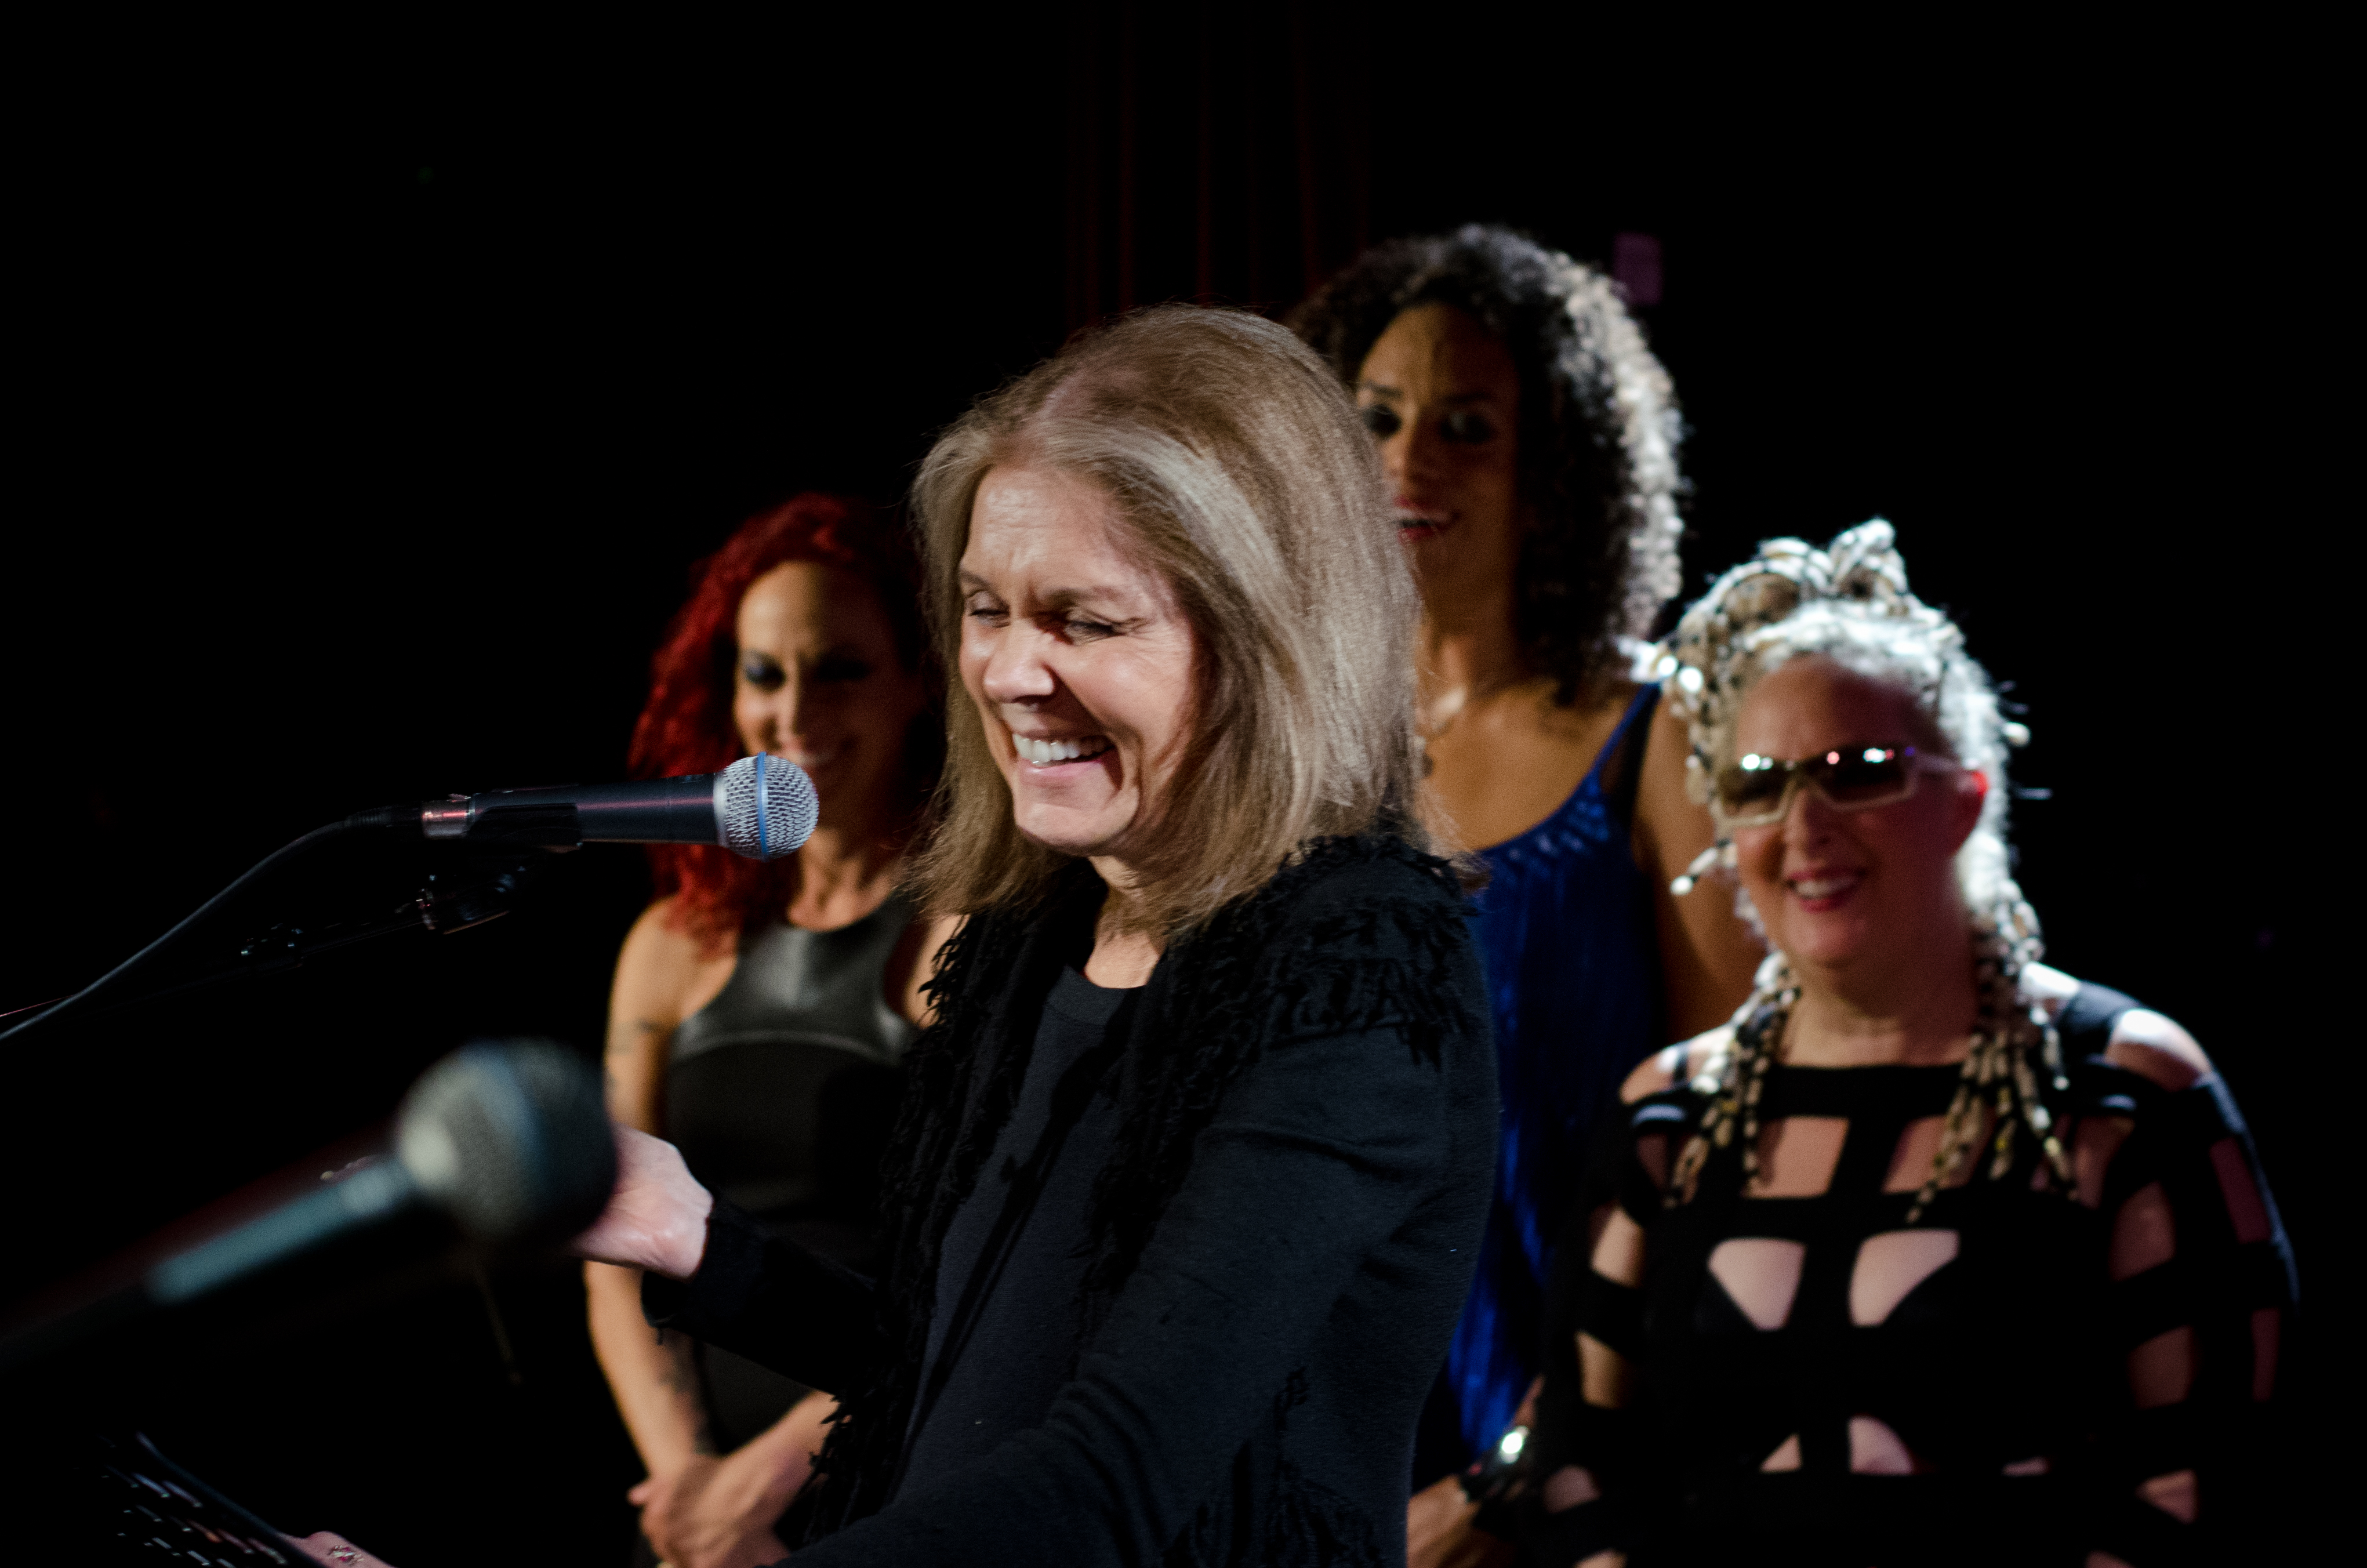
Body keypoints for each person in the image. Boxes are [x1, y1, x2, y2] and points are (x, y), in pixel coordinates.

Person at [575, 304, 1498, 1566]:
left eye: (1085, 620)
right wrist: (697, 1237)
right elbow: (948, 1372)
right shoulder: (1036, 929)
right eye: (986, 608)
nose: (1009, 671)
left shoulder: (1350, 965)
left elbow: (1109, 1474)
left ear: (1266, 641)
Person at [1524, 522, 2295, 1566]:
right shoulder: (1669, 1113)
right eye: (1758, 784)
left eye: (1859, 770)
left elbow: (2206, 1472)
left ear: (1967, 799)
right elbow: (1581, 1465)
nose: (1804, 824)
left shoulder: (2125, 1086)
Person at [1291, 226, 1765, 1526]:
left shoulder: (1653, 732)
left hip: (1564, 1438)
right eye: (1377, 417)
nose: (1406, 458)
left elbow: (1731, 1139)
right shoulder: (1295, 745)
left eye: (1467, 425)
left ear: (1559, 469)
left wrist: (1528, 1452)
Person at [586, 493, 945, 1568]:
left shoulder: (962, 929)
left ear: (917, 683)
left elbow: (955, 1275)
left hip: (887, 1477)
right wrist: (691, 1488)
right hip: (698, 1512)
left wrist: (762, 1488)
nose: (792, 714)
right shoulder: (672, 941)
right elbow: (611, 1250)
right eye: (762, 673)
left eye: (838, 668)